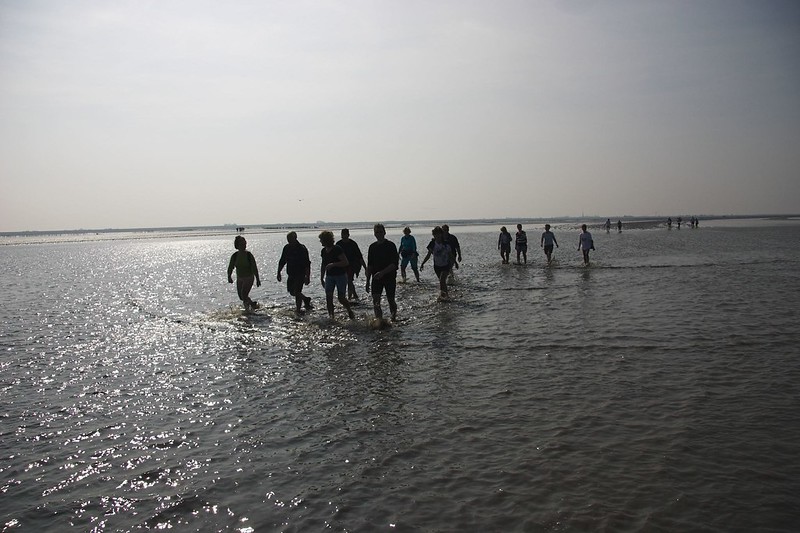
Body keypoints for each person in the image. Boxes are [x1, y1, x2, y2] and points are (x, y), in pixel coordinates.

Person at [319, 230, 355, 319]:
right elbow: (323, 264)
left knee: (341, 298)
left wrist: (333, 264)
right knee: (328, 297)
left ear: (326, 240)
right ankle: (331, 316)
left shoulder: (337, 249)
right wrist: (321, 277)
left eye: (321, 240)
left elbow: (345, 262)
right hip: (329, 277)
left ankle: (349, 310)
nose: (320, 241)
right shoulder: (323, 251)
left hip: (340, 276)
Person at [365, 224, 398, 321]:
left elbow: (394, 264)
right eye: (376, 232)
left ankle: (393, 319)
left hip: (389, 277)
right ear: (374, 234)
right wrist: (367, 281)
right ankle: (379, 321)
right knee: (376, 301)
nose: (378, 234)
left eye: (380, 232)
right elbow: (370, 265)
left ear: (384, 232)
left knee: (391, 300)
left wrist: (382, 272)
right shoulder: (372, 247)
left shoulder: (390, 245)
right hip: (376, 278)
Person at [277, 231, 313, 314]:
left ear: (295, 238)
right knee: (291, 291)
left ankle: (298, 309)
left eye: (290, 239)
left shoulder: (302, 248)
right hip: (291, 273)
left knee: (297, 291)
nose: (289, 241)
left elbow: (307, 263)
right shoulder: (286, 248)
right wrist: (278, 272)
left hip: (300, 273)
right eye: (288, 239)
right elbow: (282, 260)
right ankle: (305, 299)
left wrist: (307, 276)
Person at [420, 226, 457, 299]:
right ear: (433, 235)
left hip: (446, 265)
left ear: (441, 234)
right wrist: (423, 263)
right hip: (437, 266)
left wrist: (455, 262)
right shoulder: (432, 244)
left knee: (442, 280)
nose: (437, 236)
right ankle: (444, 295)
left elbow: (450, 254)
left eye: (439, 234)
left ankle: (444, 296)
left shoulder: (446, 244)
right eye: (435, 234)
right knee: (441, 282)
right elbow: (428, 255)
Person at [227, 235, 261, 312]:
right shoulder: (235, 256)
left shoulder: (249, 255)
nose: (244, 245)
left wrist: (258, 279)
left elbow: (254, 267)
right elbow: (230, 267)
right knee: (241, 297)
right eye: (242, 244)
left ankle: (247, 311)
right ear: (237, 245)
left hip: (249, 277)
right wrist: (229, 276)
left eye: (245, 243)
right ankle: (252, 304)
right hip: (240, 278)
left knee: (244, 294)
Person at [336, 228, 367, 301]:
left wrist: (365, 267)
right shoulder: (338, 244)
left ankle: (351, 297)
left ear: (348, 235)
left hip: (352, 265)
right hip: (342, 266)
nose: (344, 236)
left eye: (345, 234)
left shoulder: (353, 244)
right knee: (346, 281)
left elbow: (359, 256)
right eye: (342, 234)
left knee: (349, 280)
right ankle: (353, 295)